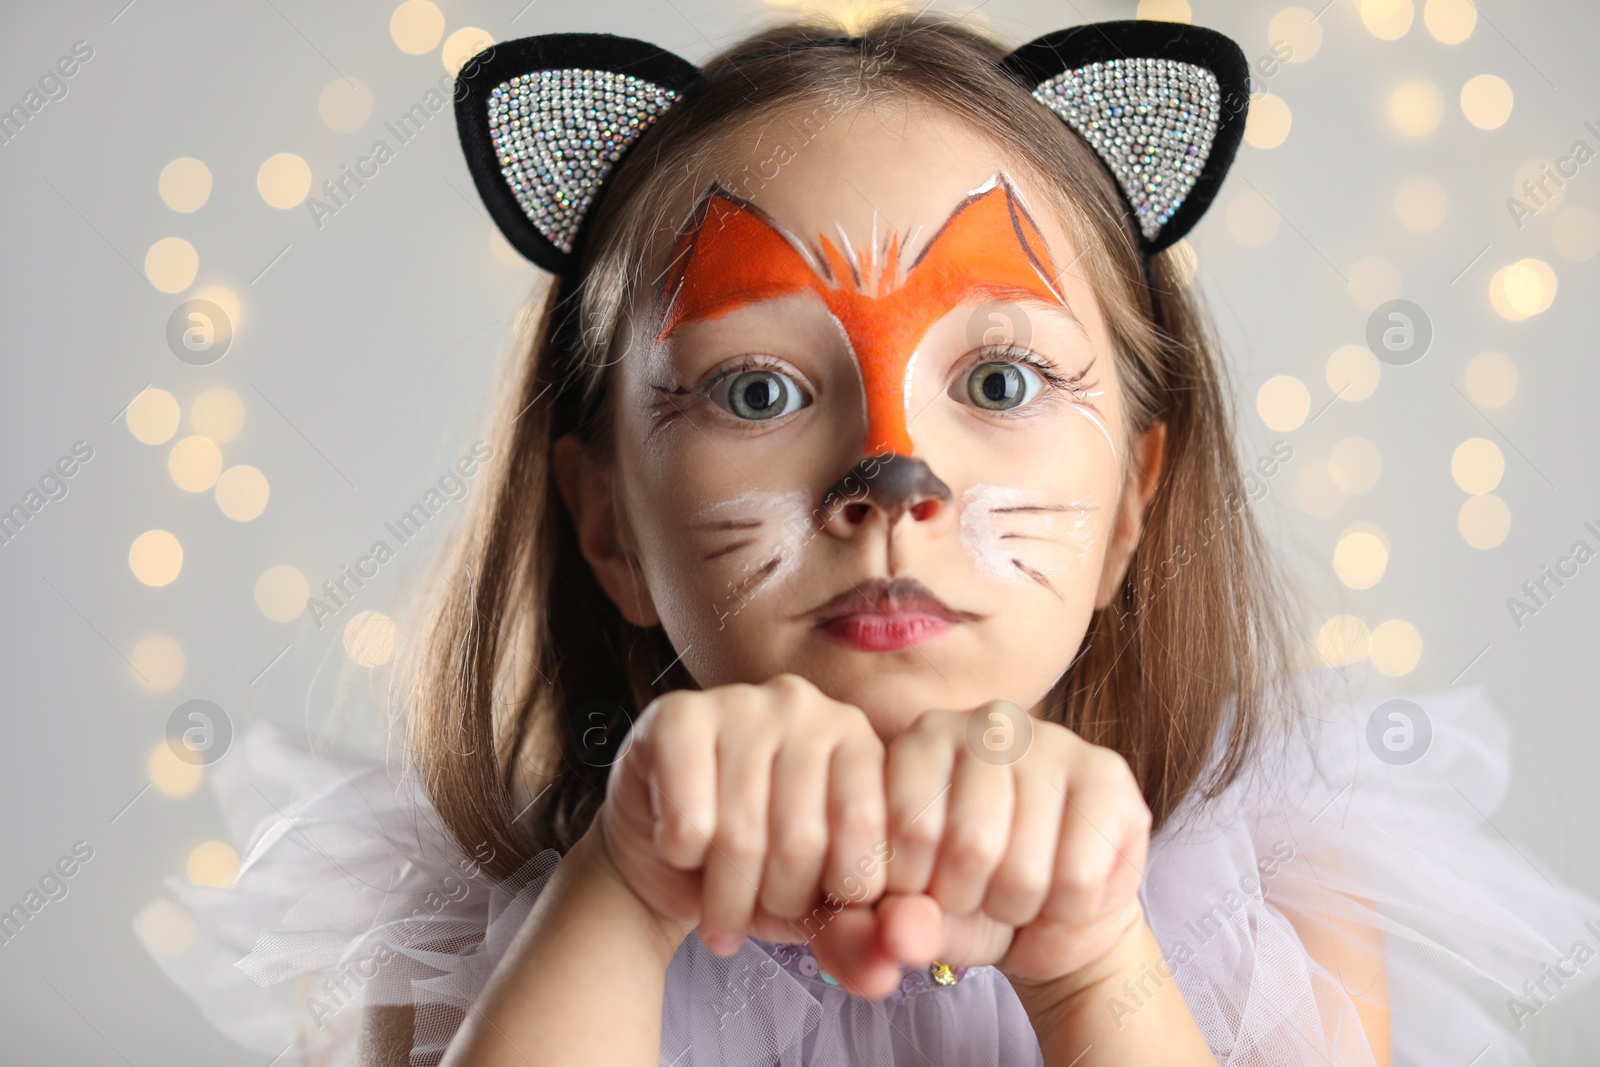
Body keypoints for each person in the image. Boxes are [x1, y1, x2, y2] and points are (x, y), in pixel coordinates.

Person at [143, 11, 1600, 1066]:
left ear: (1134, 509)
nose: (893, 477)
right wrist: (625, 896)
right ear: (608, 525)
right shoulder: (479, 929)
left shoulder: (1276, 892)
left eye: (1002, 381)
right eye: (759, 389)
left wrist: (1097, 970)